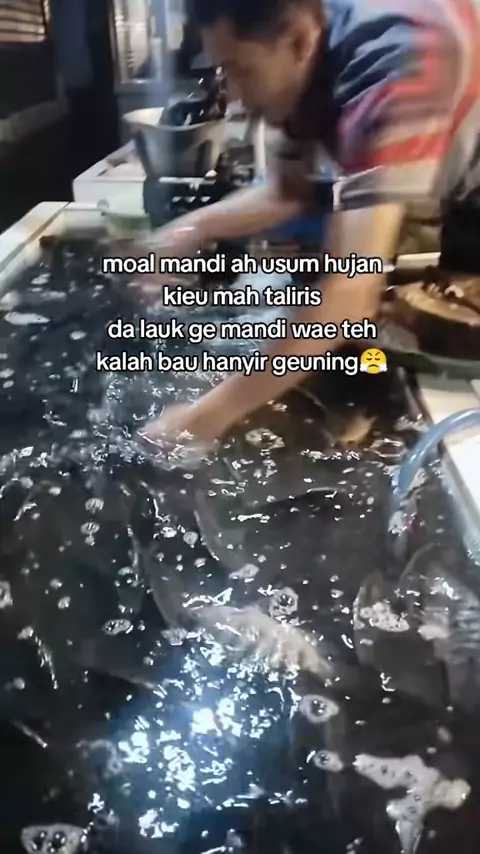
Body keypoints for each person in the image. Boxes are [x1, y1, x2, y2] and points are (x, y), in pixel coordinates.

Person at [142, 0, 480, 447]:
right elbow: (287, 191)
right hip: (462, 188)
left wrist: (199, 422)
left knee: (460, 363)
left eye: (241, 69)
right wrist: (186, 232)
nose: (234, 94)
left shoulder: (400, 62)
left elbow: (350, 294)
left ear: (300, 41)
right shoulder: (312, 38)